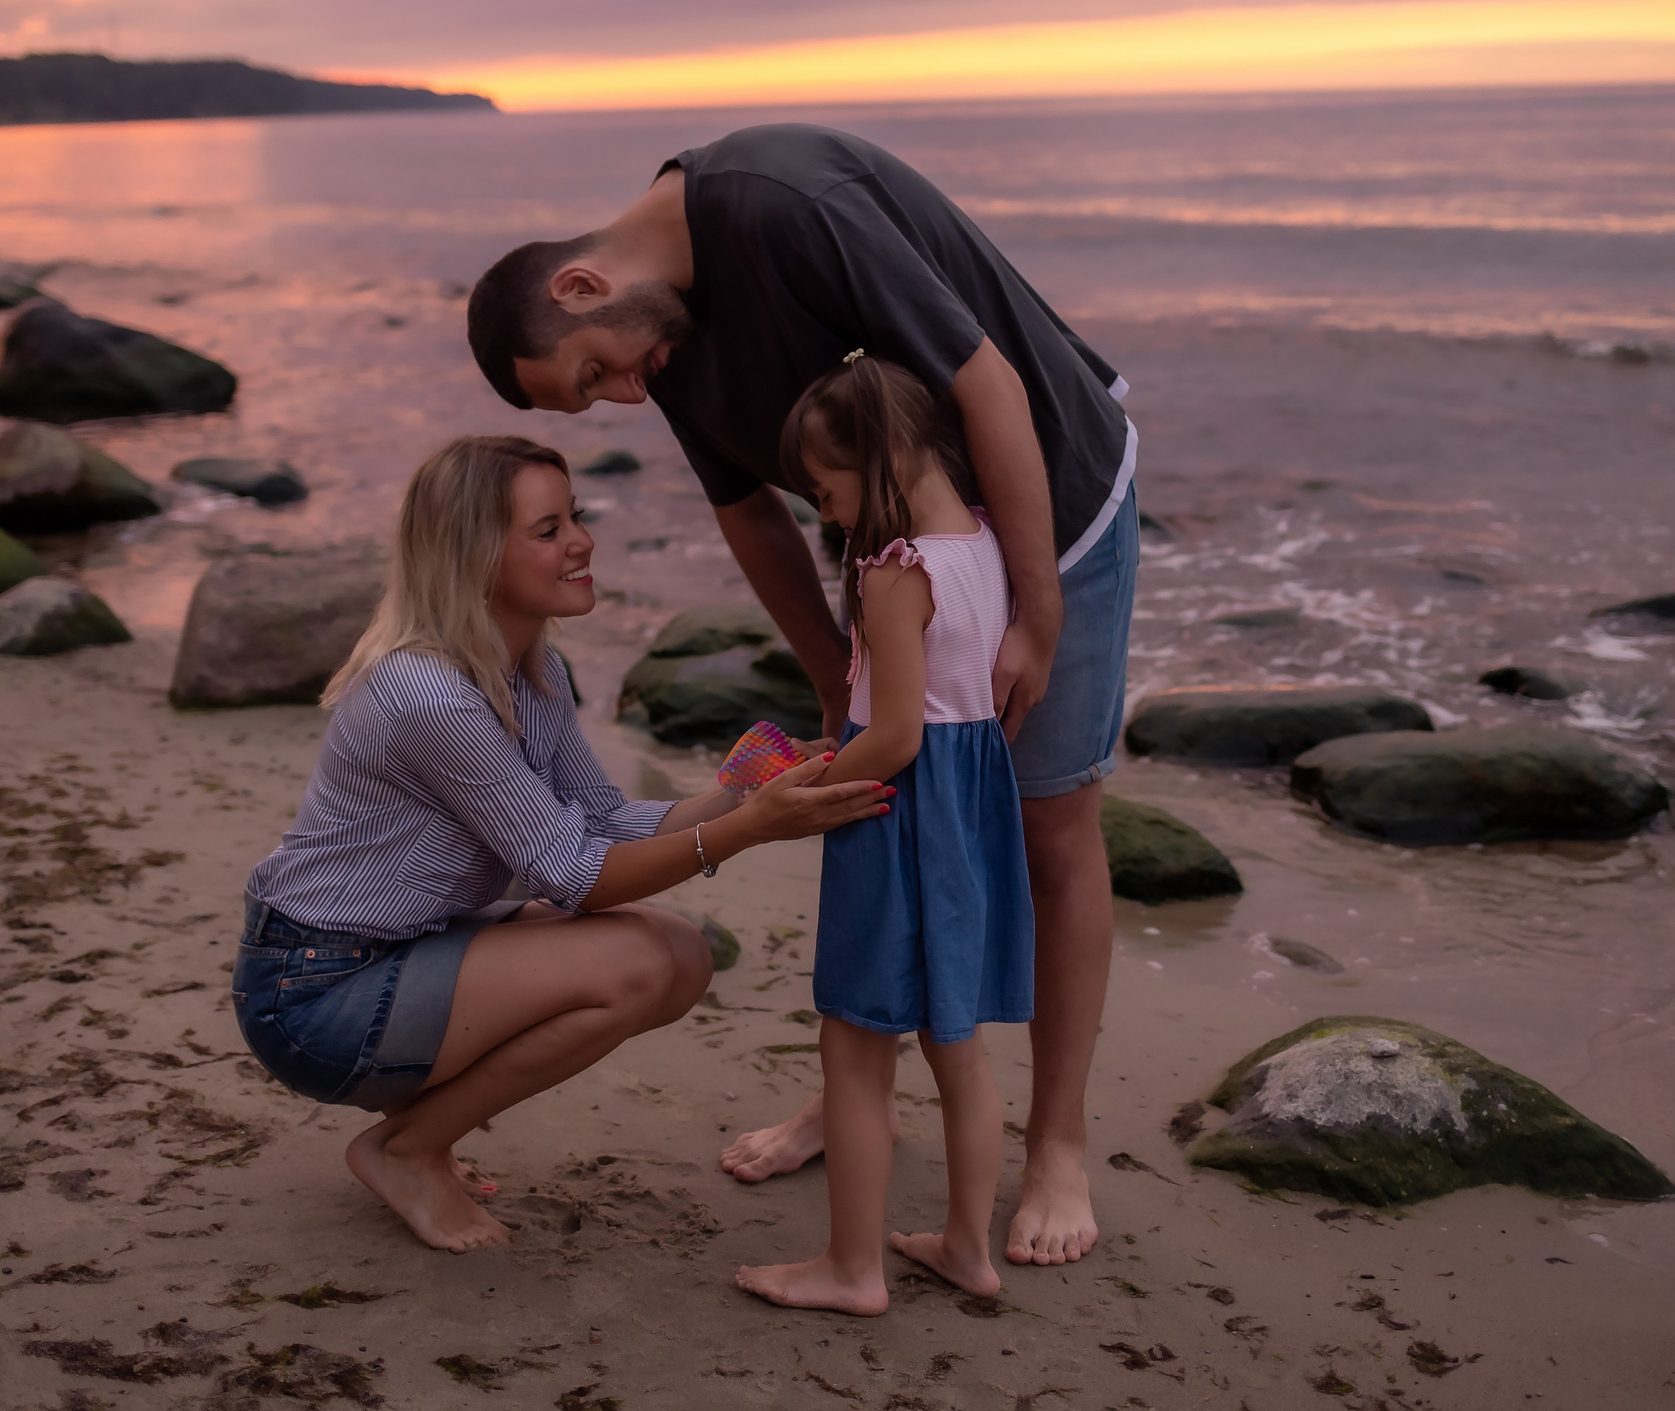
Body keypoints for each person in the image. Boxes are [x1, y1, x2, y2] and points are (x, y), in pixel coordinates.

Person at [466, 124, 1139, 1267]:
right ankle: (855, 1092)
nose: (627, 395)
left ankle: (1057, 1146)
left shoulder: (784, 200)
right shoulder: (662, 339)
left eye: (597, 372)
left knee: (1047, 824)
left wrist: (1034, 611)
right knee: (875, 805)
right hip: (894, 557)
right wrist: (837, 678)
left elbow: (991, 383)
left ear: (583, 285)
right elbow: (748, 509)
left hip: (1045, 510)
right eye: (596, 397)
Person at [233, 435, 888, 1255]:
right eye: (547, 529)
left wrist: (746, 791)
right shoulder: (427, 693)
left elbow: (603, 819)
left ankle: (415, 1133)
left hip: (403, 949)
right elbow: (577, 876)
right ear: (472, 555)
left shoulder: (531, 666)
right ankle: (406, 1150)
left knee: (681, 954)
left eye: (574, 515)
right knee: (641, 961)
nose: (580, 540)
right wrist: (748, 829)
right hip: (317, 989)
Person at [735, 353, 1034, 1315]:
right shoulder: (982, 543)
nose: (825, 515)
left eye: (825, 491)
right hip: (971, 802)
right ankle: (967, 1248)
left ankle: (852, 1269)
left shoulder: (893, 572)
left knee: (856, 1050)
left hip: (898, 809)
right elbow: (935, 702)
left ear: (880, 458)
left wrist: (799, 785)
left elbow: (898, 734)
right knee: (960, 1047)